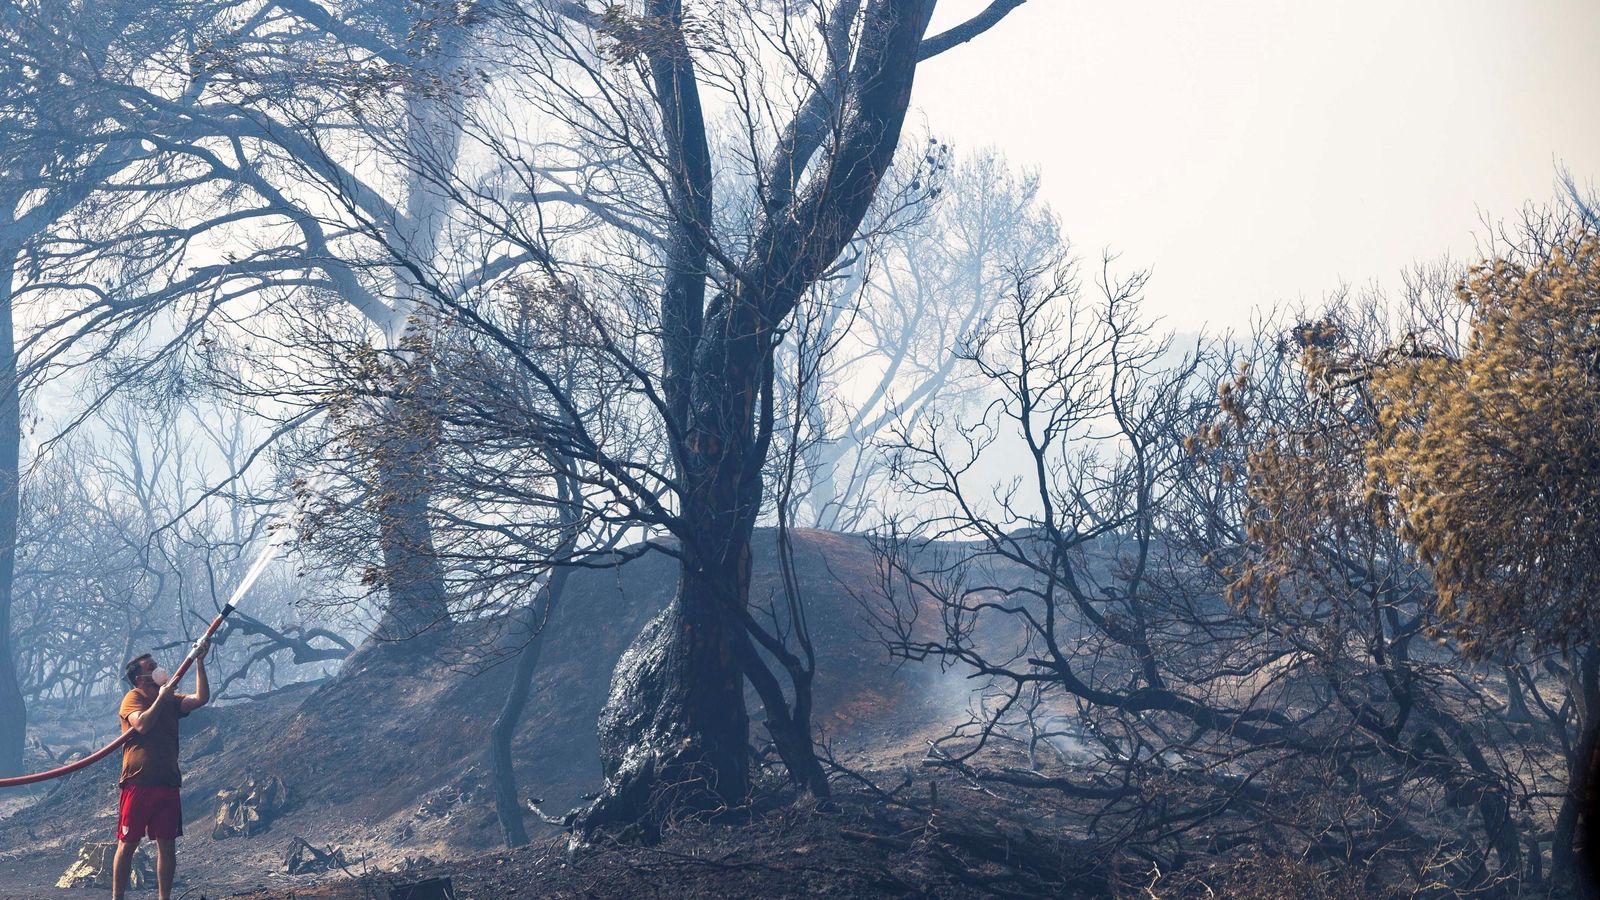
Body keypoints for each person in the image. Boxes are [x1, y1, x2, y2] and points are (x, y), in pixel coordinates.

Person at [111, 641, 210, 900]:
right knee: (128, 843)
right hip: (138, 783)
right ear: (139, 678)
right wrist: (162, 698)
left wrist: (199, 661)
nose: (157, 670)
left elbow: (201, 698)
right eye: (151, 668)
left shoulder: (170, 699)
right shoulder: (133, 698)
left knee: (167, 845)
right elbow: (142, 724)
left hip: (167, 782)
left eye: (156, 666)